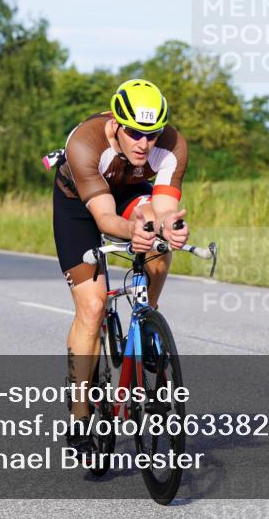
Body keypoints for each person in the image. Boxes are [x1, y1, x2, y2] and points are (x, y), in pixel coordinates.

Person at [52, 79, 189, 454]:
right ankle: (80, 413)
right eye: (135, 133)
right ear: (116, 123)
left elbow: (163, 207)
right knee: (93, 306)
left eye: (152, 134)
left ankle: (147, 321)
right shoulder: (85, 143)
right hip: (81, 207)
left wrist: (170, 228)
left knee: (156, 233)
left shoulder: (172, 146)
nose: (144, 143)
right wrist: (131, 232)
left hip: (130, 194)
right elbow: (105, 218)